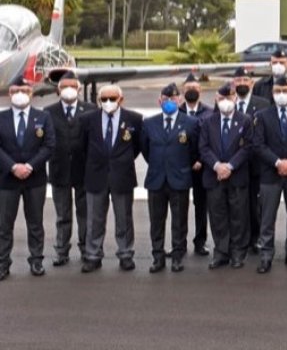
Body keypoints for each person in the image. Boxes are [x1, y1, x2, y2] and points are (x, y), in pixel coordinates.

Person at [79, 84, 142, 273]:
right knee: (94, 220)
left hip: (122, 176)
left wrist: (121, 161)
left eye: (112, 98)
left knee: (124, 218)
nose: (108, 102)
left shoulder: (134, 119)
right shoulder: (87, 119)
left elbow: (137, 146)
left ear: (121, 99)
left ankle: (125, 254)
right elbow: (82, 147)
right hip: (96, 176)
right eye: (103, 99)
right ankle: (92, 255)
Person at [251, 76, 287, 272]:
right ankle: (266, 255)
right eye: (278, 91)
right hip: (271, 173)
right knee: (267, 217)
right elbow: (258, 144)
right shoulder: (262, 115)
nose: (281, 95)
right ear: (272, 93)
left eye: (285, 91)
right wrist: (277, 162)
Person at [0, 77, 56, 281]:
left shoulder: (43, 117)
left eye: (24, 90)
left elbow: (49, 145)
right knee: (4, 225)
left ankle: (36, 260)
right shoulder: (1, 117)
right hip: (7, 179)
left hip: (35, 179)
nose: (20, 93)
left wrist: (30, 166)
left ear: (31, 93)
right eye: (16, 90)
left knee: (35, 223)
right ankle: (3, 263)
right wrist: (13, 167)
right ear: (9, 93)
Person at [141, 83, 197, 273]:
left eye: (174, 99)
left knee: (179, 221)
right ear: (160, 101)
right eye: (166, 99)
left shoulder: (190, 123)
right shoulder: (149, 123)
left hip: (179, 178)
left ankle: (177, 257)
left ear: (180, 100)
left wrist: (181, 166)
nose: (170, 102)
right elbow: (146, 150)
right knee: (156, 221)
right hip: (156, 179)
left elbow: (194, 150)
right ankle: (158, 257)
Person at [199, 83, 252, 270]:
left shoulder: (245, 120)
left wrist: (229, 166)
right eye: (222, 99)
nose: (226, 102)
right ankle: (221, 252)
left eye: (230, 98)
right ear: (216, 99)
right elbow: (203, 148)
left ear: (236, 99)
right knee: (217, 216)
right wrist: (217, 166)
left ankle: (238, 253)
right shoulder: (208, 121)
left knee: (238, 216)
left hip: (236, 176)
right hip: (214, 177)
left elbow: (247, 148)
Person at [45, 70, 93, 267]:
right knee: (62, 214)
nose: (69, 90)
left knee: (84, 213)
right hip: (59, 170)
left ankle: (85, 248)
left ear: (79, 89)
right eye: (65, 87)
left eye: (73, 86)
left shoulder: (90, 109)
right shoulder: (48, 112)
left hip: (83, 171)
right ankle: (62, 251)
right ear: (58, 89)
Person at [233, 68, 268, 254]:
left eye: (245, 79)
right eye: (238, 79)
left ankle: (256, 238)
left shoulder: (262, 104)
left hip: (255, 164)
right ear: (233, 83)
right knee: (238, 204)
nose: (242, 83)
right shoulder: (227, 102)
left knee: (255, 205)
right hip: (234, 164)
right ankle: (239, 238)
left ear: (252, 83)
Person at [179, 74, 211, 256]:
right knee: (180, 207)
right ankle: (179, 242)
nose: (192, 90)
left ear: (201, 90)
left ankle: (200, 241)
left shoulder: (209, 112)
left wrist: (201, 160)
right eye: (188, 87)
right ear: (183, 90)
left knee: (201, 206)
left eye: (195, 88)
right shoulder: (177, 112)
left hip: (202, 167)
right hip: (182, 167)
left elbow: (210, 140)